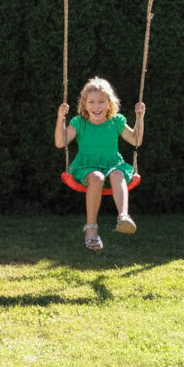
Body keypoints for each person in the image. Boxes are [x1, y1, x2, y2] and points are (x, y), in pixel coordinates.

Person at [55, 76, 146, 250]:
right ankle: (91, 229)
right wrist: (61, 117)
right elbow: (60, 142)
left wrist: (139, 118)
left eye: (101, 102)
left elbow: (136, 140)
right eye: (91, 102)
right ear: (84, 105)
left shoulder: (116, 121)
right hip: (86, 167)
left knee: (117, 173)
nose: (96, 107)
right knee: (97, 177)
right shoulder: (79, 123)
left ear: (109, 104)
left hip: (113, 164)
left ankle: (123, 217)